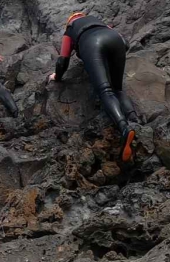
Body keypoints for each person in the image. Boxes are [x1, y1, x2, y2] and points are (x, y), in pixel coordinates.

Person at [47, 11, 137, 162]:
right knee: (117, 88)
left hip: (92, 43)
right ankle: (135, 119)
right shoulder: (98, 20)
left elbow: (63, 60)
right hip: (114, 40)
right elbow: (125, 43)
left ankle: (124, 128)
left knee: (105, 91)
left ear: (70, 21)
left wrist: (57, 76)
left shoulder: (70, 29)